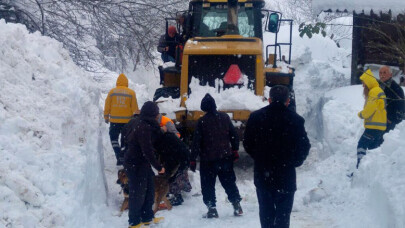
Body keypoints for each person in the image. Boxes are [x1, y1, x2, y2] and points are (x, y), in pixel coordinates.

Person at [243, 85, 310, 228]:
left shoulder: (256, 117)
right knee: (283, 217)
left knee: (266, 214)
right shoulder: (296, 120)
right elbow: (304, 146)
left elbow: (247, 143)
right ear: (287, 101)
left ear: (269, 100)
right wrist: (294, 162)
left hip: (263, 175)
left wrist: (260, 157)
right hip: (286, 176)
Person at [190, 93, 242, 218]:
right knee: (229, 182)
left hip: (208, 160)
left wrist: (192, 159)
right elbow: (234, 135)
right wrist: (234, 150)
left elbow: (196, 142)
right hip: (225, 157)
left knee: (208, 185)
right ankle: (236, 205)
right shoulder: (224, 117)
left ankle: (212, 209)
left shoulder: (202, 122)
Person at [124, 101, 165, 228]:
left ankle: (147, 217)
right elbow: (147, 151)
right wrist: (159, 167)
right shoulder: (143, 127)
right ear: (152, 114)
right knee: (137, 193)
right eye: (156, 113)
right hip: (135, 164)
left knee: (149, 190)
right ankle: (134, 222)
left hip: (142, 163)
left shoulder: (146, 124)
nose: (158, 116)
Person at [104, 73, 139, 166]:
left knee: (114, 138)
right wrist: (136, 119)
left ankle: (118, 155)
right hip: (127, 122)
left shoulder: (112, 92)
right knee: (125, 140)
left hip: (114, 121)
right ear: (126, 82)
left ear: (117, 82)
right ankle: (124, 156)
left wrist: (106, 117)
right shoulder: (131, 93)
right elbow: (134, 108)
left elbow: (107, 105)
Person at [357, 69, 387, 168]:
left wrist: (361, 114)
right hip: (379, 127)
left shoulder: (374, 91)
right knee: (373, 150)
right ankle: (370, 172)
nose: (362, 86)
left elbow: (370, 109)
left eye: (363, 83)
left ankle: (359, 169)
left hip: (373, 127)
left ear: (368, 82)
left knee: (362, 145)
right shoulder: (378, 90)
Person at [378, 65, 405, 132]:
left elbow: (401, 106)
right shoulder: (377, 86)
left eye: (384, 72)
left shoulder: (396, 88)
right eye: (380, 73)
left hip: (389, 121)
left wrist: (390, 119)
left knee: (386, 141)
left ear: (391, 75)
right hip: (377, 119)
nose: (382, 75)